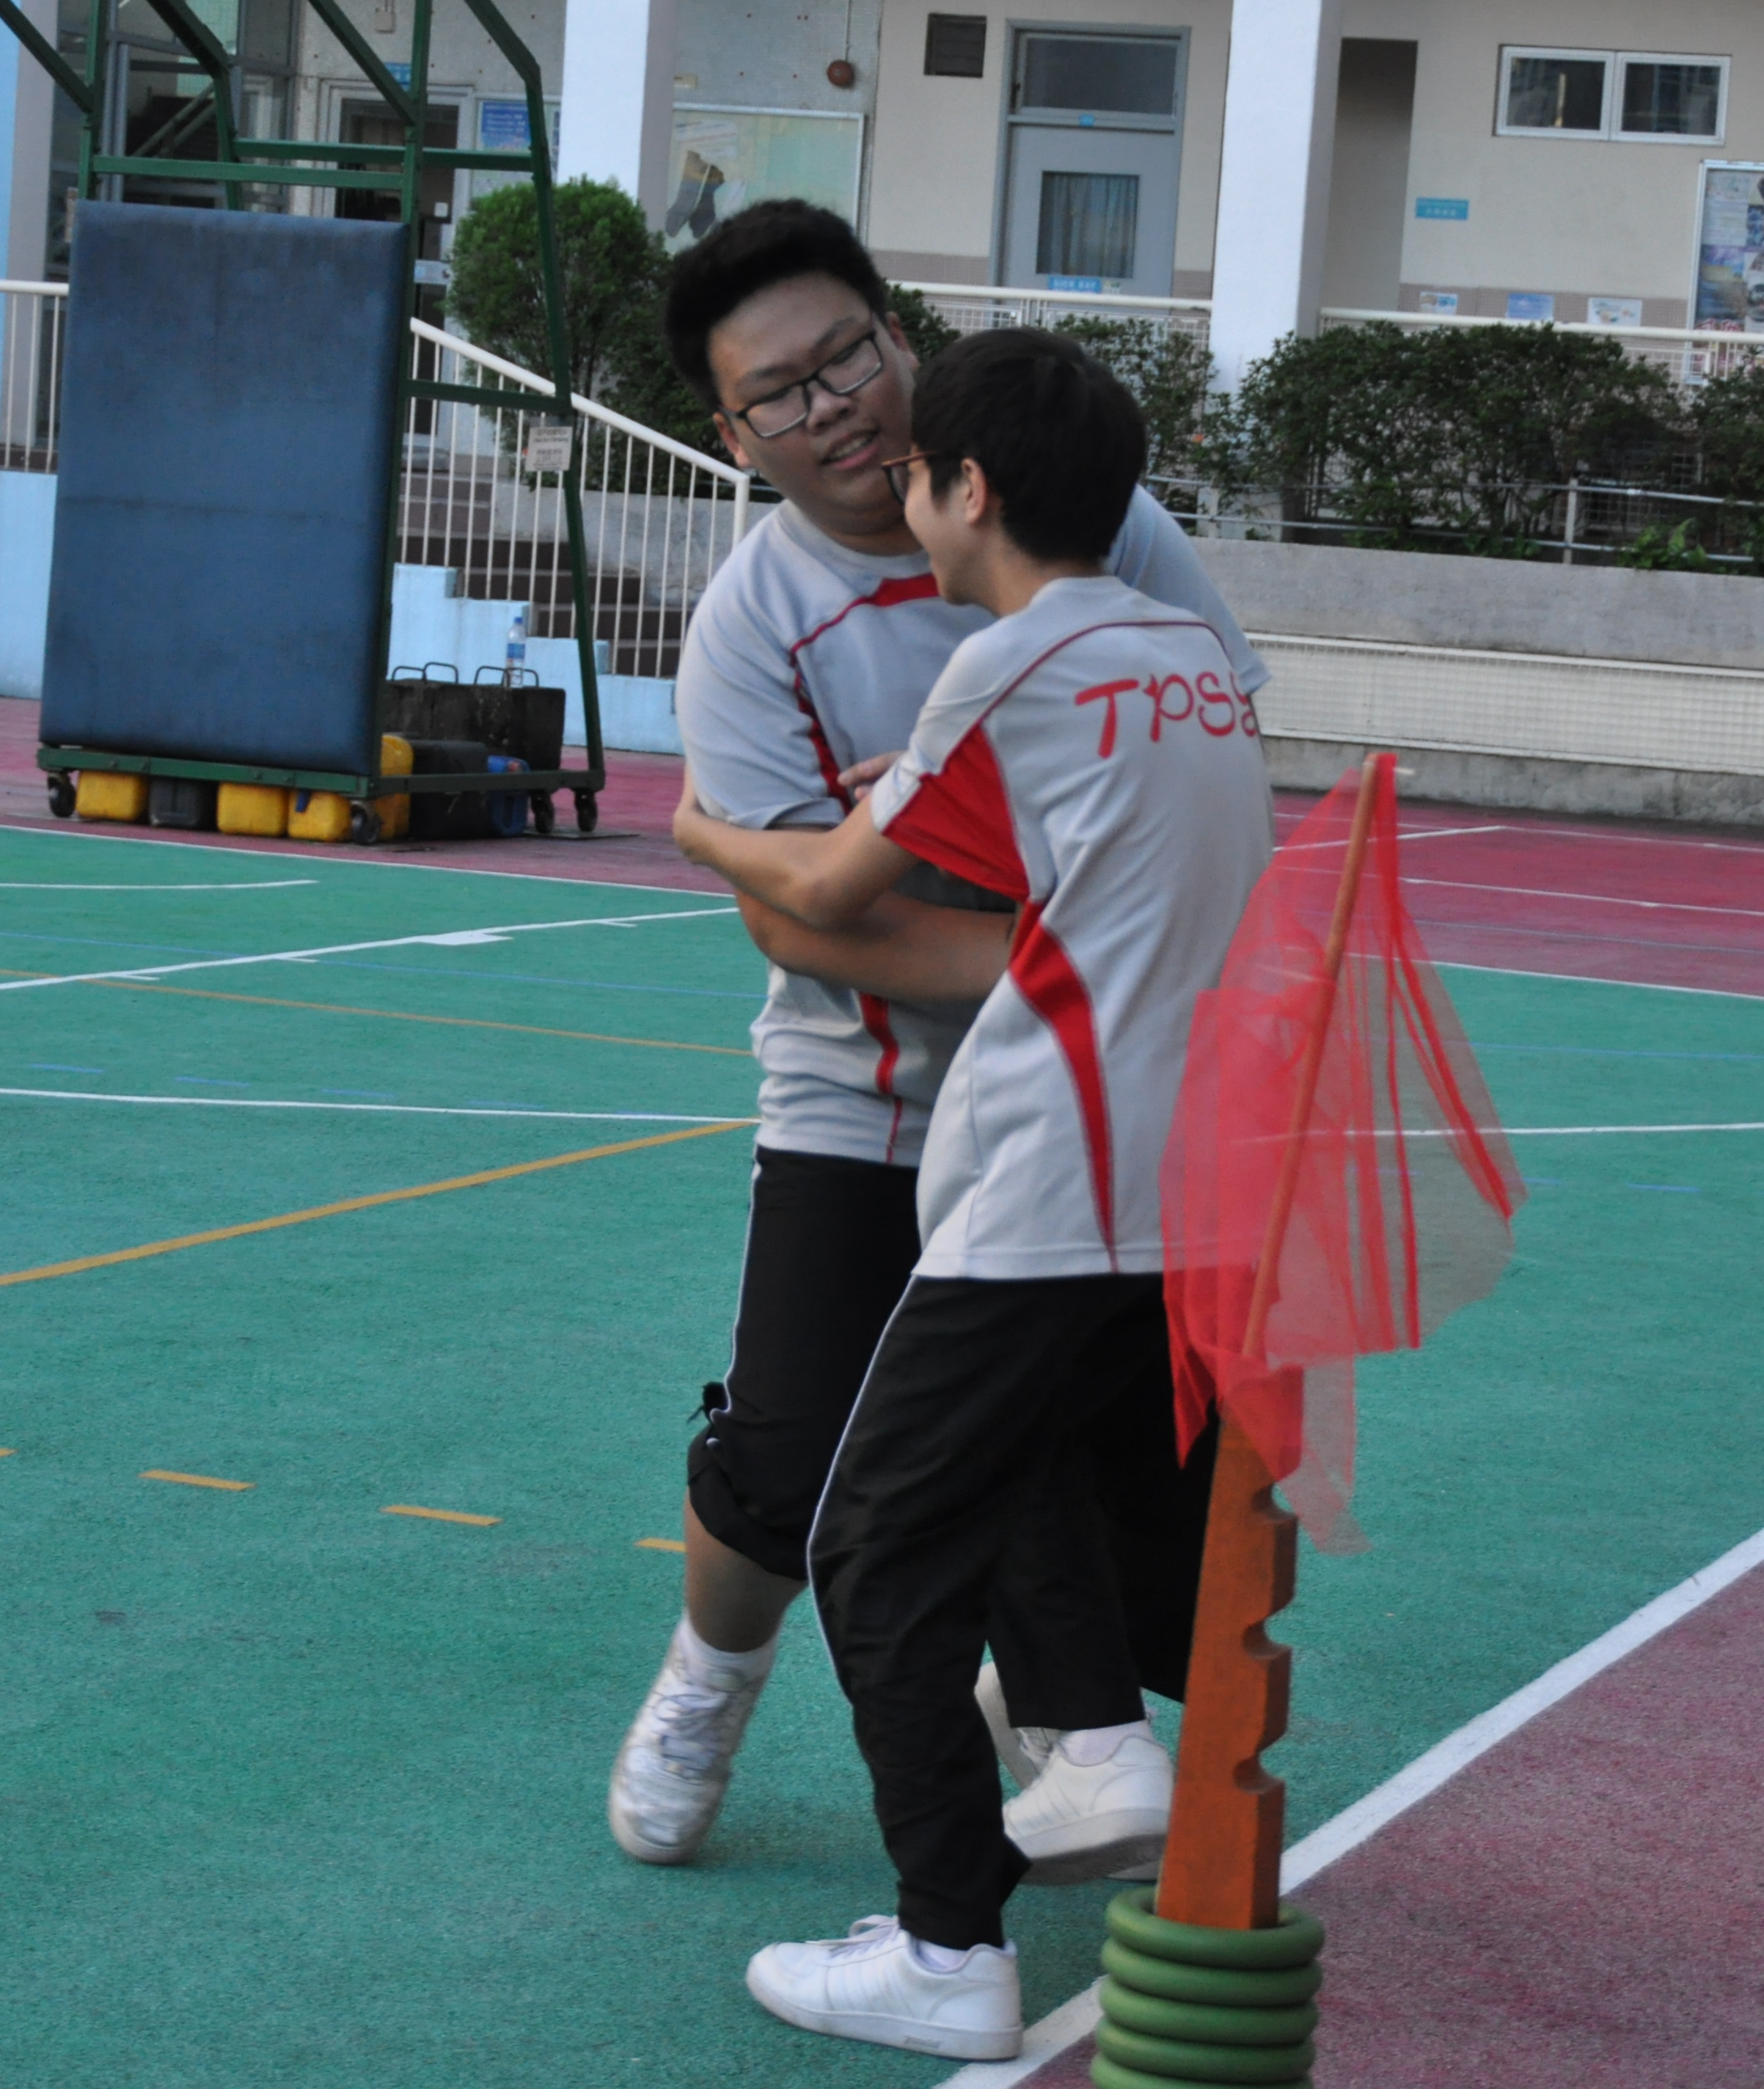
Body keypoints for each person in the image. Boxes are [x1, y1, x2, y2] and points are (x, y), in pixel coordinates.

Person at [607, 202, 1268, 1875]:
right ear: (732, 434)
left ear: (901, 339)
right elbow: (800, 923)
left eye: (846, 357)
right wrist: (1071, 962)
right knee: (790, 1464)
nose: (830, 406)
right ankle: (709, 1679)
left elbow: (1200, 771)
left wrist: (1069, 962)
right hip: (873, 1093)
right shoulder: (752, 620)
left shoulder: (1097, 533)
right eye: (778, 393)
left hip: (1089, 1100)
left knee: (1098, 1449)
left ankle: (1045, 1752)